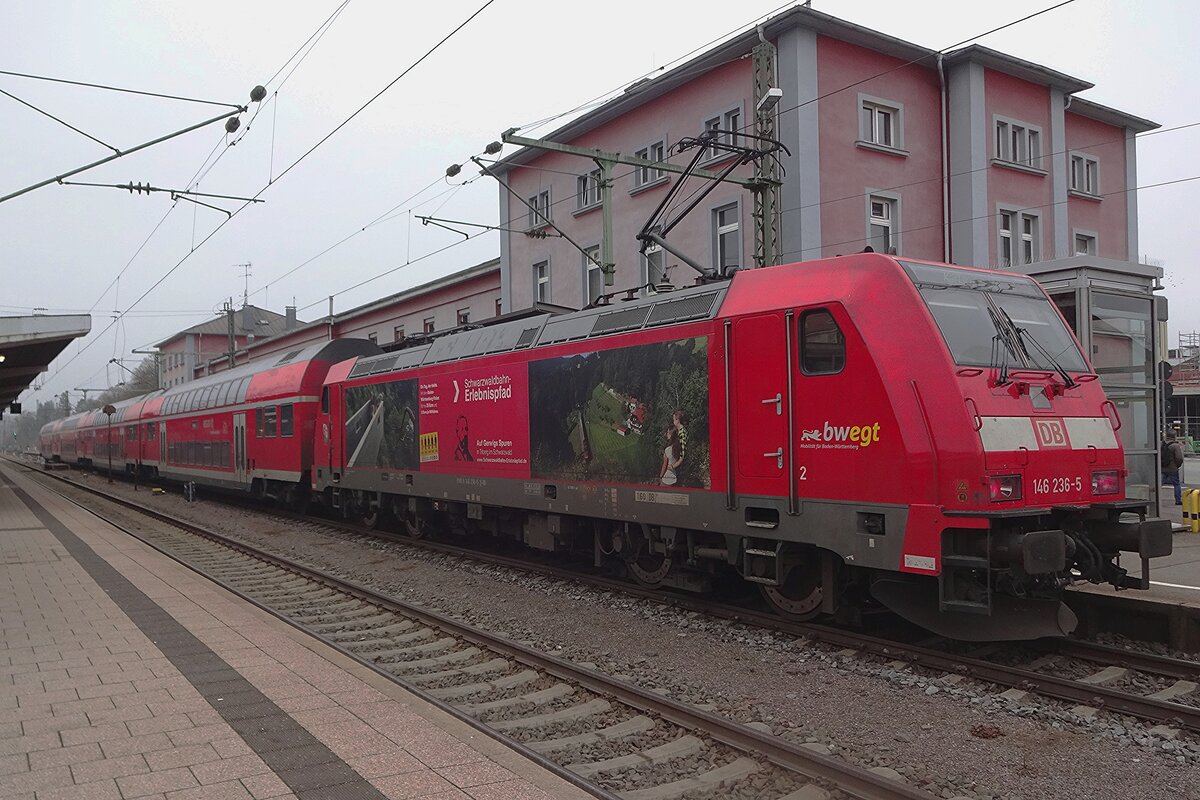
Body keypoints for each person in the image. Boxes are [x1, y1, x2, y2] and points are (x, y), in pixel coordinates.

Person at [1161, 430, 1186, 505]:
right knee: (1176, 484)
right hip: (1172, 468)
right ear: (1174, 436)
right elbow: (1179, 458)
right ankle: (1178, 500)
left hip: (1162, 468)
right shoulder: (1175, 445)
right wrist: (1177, 465)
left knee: (1159, 483)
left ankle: (1155, 498)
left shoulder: (1162, 444)